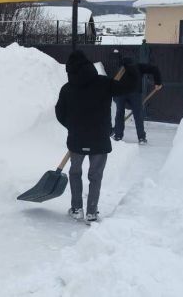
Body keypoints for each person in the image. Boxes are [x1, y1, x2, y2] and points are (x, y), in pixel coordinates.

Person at [55, 50, 137, 222]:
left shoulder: (67, 89)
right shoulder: (105, 83)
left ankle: (77, 209)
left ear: (69, 70)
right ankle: (92, 211)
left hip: (77, 139)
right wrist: (130, 68)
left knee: (75, 172)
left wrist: (72, 127)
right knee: (95, 175)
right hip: (99, 138)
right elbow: (129, 87)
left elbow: (59, 113)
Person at [112, 56, 162, 145]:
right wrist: (158, 82)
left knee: (119, 113)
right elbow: (154, 68)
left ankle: (118, 135)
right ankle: (141, 138)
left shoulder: (120, 69)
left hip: (120, 92)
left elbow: (112, 83)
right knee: (138, 115)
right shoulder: (138, 66)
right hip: (134, 92)